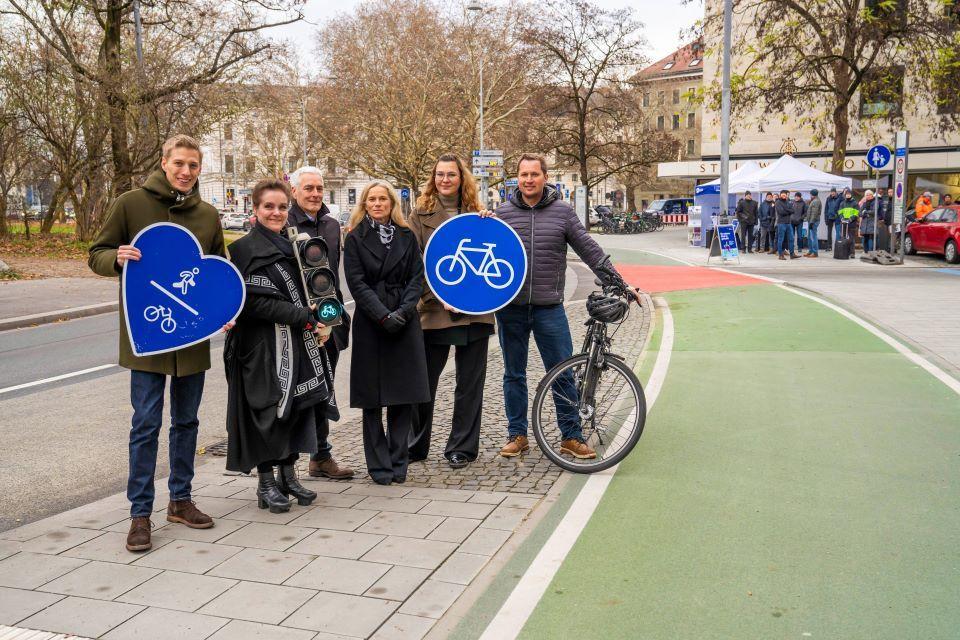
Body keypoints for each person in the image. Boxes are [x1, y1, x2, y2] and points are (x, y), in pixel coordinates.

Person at [89, 135, 228, 552]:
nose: (185, 171)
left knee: (187, 423)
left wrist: (227, 308)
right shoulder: (131, 203)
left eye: (193, 165)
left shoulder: (206, 214)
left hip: (192, 340)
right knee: (145, 425)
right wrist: (116, 258)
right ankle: (140, 514)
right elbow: (97, 252)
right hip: (146, 339)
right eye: (179, 163)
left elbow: (218, 268)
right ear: (164, 163)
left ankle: (181, 501)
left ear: (199, 169)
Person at [494, 153, 638, 460]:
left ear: (546, 177)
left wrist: (620, 282)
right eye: (524, 175)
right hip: (512, 308)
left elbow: (589, 248)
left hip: (549, 307)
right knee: (513, 374)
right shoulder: (503, 213)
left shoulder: (562, 211)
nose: (529, 180)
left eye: (535, 174)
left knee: (562, 372)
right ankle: (516, 435)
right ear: (516, 179)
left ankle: (571, 436)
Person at [225, 179, 336, 512]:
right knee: (267, 413)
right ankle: (266, 483)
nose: (276, 212)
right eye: (268, 207)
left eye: (282, 207)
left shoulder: (297, 246)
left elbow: (317, 290)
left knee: (297, 409)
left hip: (298, 341)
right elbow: (255, 304)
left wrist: (324, 321)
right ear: (255, 210)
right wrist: (305, 315)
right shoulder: (244, 249)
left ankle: (288, 477)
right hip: (261, 348)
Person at [408, 154, 495, 469]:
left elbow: (496, 253)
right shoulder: (419, 215)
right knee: (424, 382)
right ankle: (416, 446)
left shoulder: (477, 214)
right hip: (434, 312)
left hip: (476, 312)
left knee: (470, 385)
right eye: (439, 175)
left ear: (462, 179)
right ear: (433, 178)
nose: (445, 180)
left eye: (451, 175)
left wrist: (490, 226)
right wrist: (437, 295)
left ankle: (462, 448)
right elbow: (414, 263)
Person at [343, 180, 430, 484]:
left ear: (392, 204)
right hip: (371, 322)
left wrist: (403, 313)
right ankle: (378, 465)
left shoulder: (406, 236)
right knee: (372, 399)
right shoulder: (354, 239)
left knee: (402, 396)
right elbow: (357, 283)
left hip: (404, 322)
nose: (377, 204)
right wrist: (382, 315)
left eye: (383, 199)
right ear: (364, 204)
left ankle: (398, 460)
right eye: (372, 199)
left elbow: (416, 279)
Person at [286, 166, 354, 481]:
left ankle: (321, 456)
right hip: (297, 322)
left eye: (319, 188)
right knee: (296, 391)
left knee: (325, 388)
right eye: (308, 188)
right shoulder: (284, 223)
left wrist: (337, 319)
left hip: (330, 317)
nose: (315, 194)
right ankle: (285, 465)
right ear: (294, 191)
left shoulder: (330, 224)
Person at [775, 189, 798, 260]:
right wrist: (788, 210)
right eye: (783, 194)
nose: (784, 196)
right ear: (780, 195)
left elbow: (793, 210)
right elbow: (781, 212)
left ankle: (792, 254)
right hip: (781, 223)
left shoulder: (788, 202)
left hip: (788, 223)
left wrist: (786, 209)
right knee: (780, 239)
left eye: (785, 195)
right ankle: (780, 255)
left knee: (791, 239)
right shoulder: (777, 202)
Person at [838, 189, 860, 257]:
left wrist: (851, 219)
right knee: (844, 238)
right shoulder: (842, 203)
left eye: (849, 194)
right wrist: (841, 218)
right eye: (847, 194)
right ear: (845, 195)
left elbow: (856, 213)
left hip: (851, 223)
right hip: (843, 223)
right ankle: (844, 251)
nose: (848, 195)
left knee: (851, 238)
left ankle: (852, 253)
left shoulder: (855, 203)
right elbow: (840, 212)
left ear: (851, 195)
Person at [804, 189, 822, 257]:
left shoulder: (816, 201)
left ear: (813, 194)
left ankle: (815, 252)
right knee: (810, 237)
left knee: (813, 237)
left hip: (813, 221)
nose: (810, 195)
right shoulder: (814, 200)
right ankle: (811, 251)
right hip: (811, 221)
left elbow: (814, 213)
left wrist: (811, 222)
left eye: (810, 194)